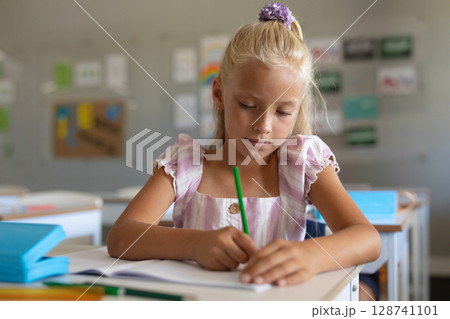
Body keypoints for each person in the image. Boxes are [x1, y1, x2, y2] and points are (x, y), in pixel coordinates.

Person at [107, 2, 381, 288]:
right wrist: (194, 244)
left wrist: (311, 255)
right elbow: (121, 237)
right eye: (248, 105)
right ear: (219, 94)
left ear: (298, 111)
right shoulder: (185, 163)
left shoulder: (302, 163)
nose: (263, 126)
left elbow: (368, 238)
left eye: (283, 112)